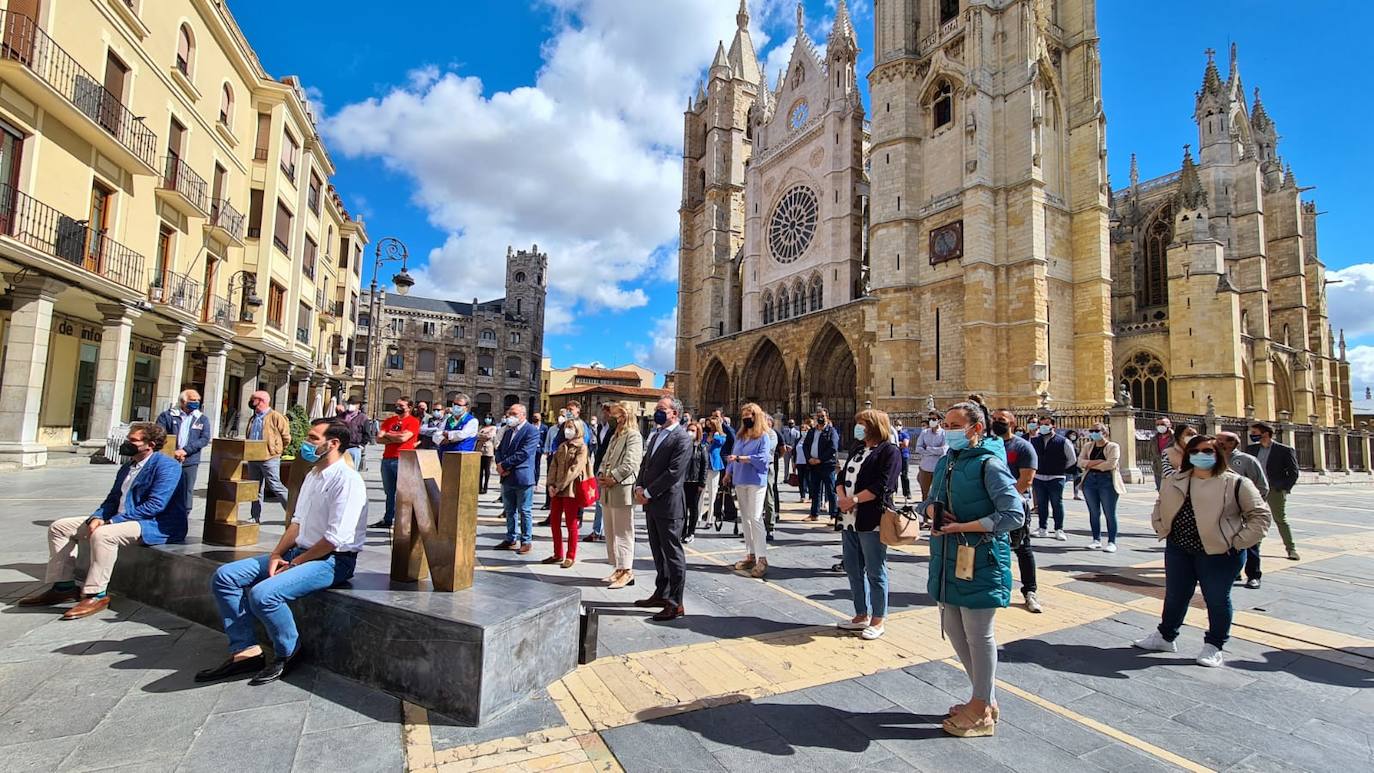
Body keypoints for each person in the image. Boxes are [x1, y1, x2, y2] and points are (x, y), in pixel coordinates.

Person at [198, 419, 366, 686]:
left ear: (333, 444)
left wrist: (296, 563)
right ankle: (246, 650)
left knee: (263, 594)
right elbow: (297, 522)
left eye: (313, 438)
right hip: (299, 552)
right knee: (226, 576)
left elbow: (335, 539)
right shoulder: (313, 475)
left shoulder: (348, 482)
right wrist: (277, 554)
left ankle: (288, 651)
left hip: (332, 561)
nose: (306, 443)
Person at [920, 401, 1023, 737]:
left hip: (979, 557)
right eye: (945, 423)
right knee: (952, 626)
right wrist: (932, 511)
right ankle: (986, 699)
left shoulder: (989, 463)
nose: (947, 429)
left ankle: (980, 711)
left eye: (954, 424)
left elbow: (1013, 515)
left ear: (976, 429)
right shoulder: (949, 461)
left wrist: (967, 525)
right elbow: (929, 499)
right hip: (947, 554)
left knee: (979, 634)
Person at [19, 423, 183, 620]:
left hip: (154, 523)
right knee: (60, 527)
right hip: (119, 518)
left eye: (133, 440)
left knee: (103, 535)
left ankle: (96, 594)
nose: (127, 443)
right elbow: (113, 498)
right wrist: (98, 516)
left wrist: (112, 522)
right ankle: (63, 587)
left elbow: (156, 505)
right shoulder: (127, 466)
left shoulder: (167, 466)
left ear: (151, 444)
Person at [1134, 434, 1271, 668]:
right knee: (1176, 595)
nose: (1200, 455)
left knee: (1216, 599)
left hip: (1220, 553)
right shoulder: (1176, 478)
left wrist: (1237, 542)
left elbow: (1261, 516)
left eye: (1208, 451)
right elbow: (1161, 503)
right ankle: (1165, 636)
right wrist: (1160, 525)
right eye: (1195, 451)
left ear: (1219, 455)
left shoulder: (1236, 482)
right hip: (1179, 548)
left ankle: (1214, 645)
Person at [835, 409, 902, 640]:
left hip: (871, 518)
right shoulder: (857, 448)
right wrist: (843, 498)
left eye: (862, 423)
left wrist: (853, 500)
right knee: (853, 568)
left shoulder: (889, 451)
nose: (858, 427)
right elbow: (841, 477)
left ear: (874, 425)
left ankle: (878, 619)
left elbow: (884, 485)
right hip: (849, 519)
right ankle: (860, 614)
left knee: (875, 570)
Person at [634, 395, 693, 621]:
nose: (657, 412)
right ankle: (662, 592)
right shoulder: (657, 434)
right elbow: (646, 463)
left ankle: (675, 603)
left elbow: (674, 473)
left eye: (661, 409)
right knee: (658, 552)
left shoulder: (682, 438)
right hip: (652, 503)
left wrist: (648, 493)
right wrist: (640, 485)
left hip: (668, 504)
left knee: (672, 554)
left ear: (674, 413)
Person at [990, 410, 1042, 614]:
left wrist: (1005, 499)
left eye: (1000, 421)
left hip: (1014, 506)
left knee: (1022, 548)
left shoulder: (1022, 447)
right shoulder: (989, 444)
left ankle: (1030, 591)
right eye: (994, 420)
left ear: (1012, 423)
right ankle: (996, 588)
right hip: (991, 505)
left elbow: (1026, 480)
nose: (996, 423)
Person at [598, 402, 643, 587]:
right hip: (608, 490)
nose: (618, 420)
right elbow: (605, 457)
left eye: (620, 416)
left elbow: (631, 463)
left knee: (623, 532)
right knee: (610, 531)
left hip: (621, 488)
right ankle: (618, 567)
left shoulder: (634, 436)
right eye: (616, 417)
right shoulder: (615, 436)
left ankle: (627, 570)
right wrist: (601, 473)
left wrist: (613, 478)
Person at [1217, 431, 1269, 588]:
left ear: (1232, 443)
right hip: (1224, 511)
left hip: (1245, 510)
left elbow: (1262, 486)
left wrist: (1251, 506)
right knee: (1227, 542)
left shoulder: (1247, 460)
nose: (1217, 442)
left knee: (1250, 543)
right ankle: (1234, 572)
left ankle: (1254, 575)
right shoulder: (1214, 459)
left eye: (1221, 440)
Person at [726, 403, 772, 579]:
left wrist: (741, 458)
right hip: (740, 479)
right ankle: (750, 554)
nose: (746, 417)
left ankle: (762, 558)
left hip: (756, 481)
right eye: (744, 414)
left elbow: (763, 459)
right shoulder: (740, 436)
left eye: (750, 414)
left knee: (755, 517)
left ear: (757, 416)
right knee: (745, 518)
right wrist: (728, 473)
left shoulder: (763, 437)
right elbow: (732, 455)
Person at [1246, 422, 1300, 561]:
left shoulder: (1284, 450)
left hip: (1275, 489)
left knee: (1280, 519)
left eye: (1255, 432)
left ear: (1265, 433)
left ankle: (1291, 549)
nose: (1252, 435)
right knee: (1253, 518)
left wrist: (1284, 488)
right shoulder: (1251, 450)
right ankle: (1254, 547)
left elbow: (1293, 472)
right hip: (1255, 490)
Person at [157, 389, 212, 520]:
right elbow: (159, 434)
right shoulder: (167, 416)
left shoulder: (202, 419)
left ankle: (184, 515)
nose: (196, 402)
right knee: (166, 486)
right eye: (193, 400)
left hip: (190, 460)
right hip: (169, 459)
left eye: (198, 400)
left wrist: (185, 450)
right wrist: (173, 451)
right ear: (183, 401)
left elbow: (204, 439)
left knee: (187, 489)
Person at [543, 417, 590, 569]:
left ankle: (570, 555)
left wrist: (559, 485)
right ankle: (557, 553)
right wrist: (550, 484)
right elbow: (553, 467)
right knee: (555, 522)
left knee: (571, 524)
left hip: (570, 490)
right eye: (566, 427)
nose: (567, 430)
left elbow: (575, 470)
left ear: (578, 429)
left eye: (571, 427)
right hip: (556, 490)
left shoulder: (582, 447)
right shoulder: (562, 445)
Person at [494, 403, 540, 553]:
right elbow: (500, 449)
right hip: (507, 477)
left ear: (523, 415)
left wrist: (505, 465)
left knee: (524, 510)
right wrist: (500, 464)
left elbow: (524, 453)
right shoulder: (508, 431)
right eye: (509, 413)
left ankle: (526, 541)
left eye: (513, 414)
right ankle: (510, 538)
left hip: (522, 476)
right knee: (509, 509)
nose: (510, 417)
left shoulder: (531, 431)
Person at [371, 397, 419, 530]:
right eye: (396, 404)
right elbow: (379, 438)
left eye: (401, 405)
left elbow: (404, 437)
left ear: (409, 407)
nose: (397, 407)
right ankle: (388, 518)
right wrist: (396, 437)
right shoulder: (389, 421)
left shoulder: (413, 422)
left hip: (403, 459)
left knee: (402, 492)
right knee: (389, 492)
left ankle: (402, 520)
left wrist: (389, 435)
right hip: (387, 458)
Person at [245, 390, 291, 524]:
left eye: (253, 399)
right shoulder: (253, 417)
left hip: (269, 457)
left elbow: (286, 437)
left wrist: (277, 450)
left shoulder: (276, 416)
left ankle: (293, 514)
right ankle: (255, 516)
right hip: (253, 457)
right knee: (255, 488)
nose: (251, 402)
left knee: (275, 485)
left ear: (261, 401)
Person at [1078, 422, 1125, 552]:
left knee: (1109, 512)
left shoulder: (1113, 446)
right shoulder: (1088, 446)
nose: (1093, 433)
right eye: (1091, 430)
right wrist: (1097, 462)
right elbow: (1080, 462)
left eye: (1096, 430)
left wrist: (1089, 464)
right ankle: (1096, 539)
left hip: (1107, 481)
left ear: (1104, 432)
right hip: (1089, 481)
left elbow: (1110, 464)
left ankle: (1111, 541)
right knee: (1093, 512)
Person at [1029, 415, 1075, 541]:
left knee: (1057, 503)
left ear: (1053, 426)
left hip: (1056, 477)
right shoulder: (1034, 440)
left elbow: (1072, 459)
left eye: (1046, 424)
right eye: (1042, 424)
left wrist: (1060, 468)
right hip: (1039, 476)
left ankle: (1058, 529)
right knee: (1041, 504)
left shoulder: (1063, 441)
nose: (1043, 426)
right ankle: (1042, 528)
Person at [801, 409, 841, 522]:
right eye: (818, 416)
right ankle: (814, 514)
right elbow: (805, 446)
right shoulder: (812, 431)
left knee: (830, 490)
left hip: (827, 465)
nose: (820, 418)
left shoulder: (831, 431)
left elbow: (833, 447)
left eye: (822, 416)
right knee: (815, 490)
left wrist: (820, 459)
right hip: (813, 465)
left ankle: (833, 516)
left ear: (827, 417)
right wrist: (809, 458)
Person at [585, 404, 615, 544]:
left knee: (603, 503)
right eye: (603, 412)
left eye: (606, 412)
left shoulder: (615, 429)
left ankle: (600, 531)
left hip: (609, 469)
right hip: (599, 466)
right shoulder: (601, 427)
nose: (603, 415)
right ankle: (598, 530)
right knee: (600, 501)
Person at [682, 422, 707, 544]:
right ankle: (682, 531)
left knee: (693, 508)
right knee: (682, 508)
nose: (690, 432)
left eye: (693, 430)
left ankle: (691, 532)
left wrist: (702, 483)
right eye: (689, 430)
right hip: (683, 481)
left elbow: (704, 466)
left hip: (695, 481)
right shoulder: (683, 445)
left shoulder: (701, 447)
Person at [700, 418, 727, 529]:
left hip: (715, 465)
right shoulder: (705, 435)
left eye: (711, 424)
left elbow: (719, 442)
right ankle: (698, 516)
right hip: (705, 465)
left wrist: (716, 433)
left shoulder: (721, 436)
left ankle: (710, 518)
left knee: (712, 493)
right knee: (701, 491)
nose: (709, 426)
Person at [914, 411, 947, 501]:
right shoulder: (924, 433)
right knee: (925, 494)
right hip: (925, 468)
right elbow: (918, 448)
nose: (931, 421)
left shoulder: (944, 433)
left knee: (939, 494)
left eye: (934, 419)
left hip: (939, 468)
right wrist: (935, 450)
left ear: (940, 421)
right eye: (930, 419)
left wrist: (928, 448)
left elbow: (943, 450)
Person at [760, 415, 781, 543]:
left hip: (767, 469)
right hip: (753, 469)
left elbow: (767, 450)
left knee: (768, 499)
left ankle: (770, 527)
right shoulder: (754, 433)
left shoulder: (772, 434)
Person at [336, 398, 369, 468]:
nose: (351, 405)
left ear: (358, 405)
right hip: (341, 447)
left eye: (353, 404)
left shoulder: (363, 417)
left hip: (355, 447)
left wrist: (361, 445)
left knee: (352, 470)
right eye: (349, 403)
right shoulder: (342, 416)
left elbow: (367, 433)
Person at [476, 417, 498, 494]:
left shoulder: (493, 428)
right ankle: (479, 487)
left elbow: (489, 436)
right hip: (479, 449)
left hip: (488, 450)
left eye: (489, 418)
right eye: (486, 417)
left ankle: (485, 487)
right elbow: (476, 435)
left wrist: (481, 435)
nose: (487, 419)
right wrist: (482, 435)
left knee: (487, 469)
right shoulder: (481, 427)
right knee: (480, 470)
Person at [1151, 416, 1173, 490]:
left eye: (1163, 424)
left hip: (1172, 471)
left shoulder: (1176, 438)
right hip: (1158, 471)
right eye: (1158, 424)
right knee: (1161, 493)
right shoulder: (1154, 439)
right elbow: (1152, 454)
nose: (1160, 426)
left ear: (1169, 425)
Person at [893, 419, 912, 500]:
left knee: (904, 475)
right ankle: (894, 492)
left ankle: (907, 493)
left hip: (904, 456)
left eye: (899, 425)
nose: (898, 426)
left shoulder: (904, 434)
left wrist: (896, 443)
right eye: (896, 425)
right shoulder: (893, 434)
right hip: (895, 456)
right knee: (894, 475)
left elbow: (905, 444)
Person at [1064, 429, 1083, 500]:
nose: (1073, 436)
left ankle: (1076, 494)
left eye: (1075, 435)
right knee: (1065, 479)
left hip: (1076, 466)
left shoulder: (1075, 444)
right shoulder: (1065, 443)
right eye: (1071, 434)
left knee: (1077, 479)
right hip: (1068, 465)